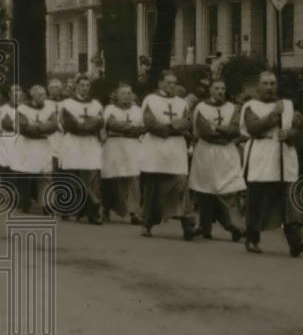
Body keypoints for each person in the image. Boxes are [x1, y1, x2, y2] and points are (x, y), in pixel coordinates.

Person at [239, 71, 303, 256]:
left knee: (289, 200)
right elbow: (254, 128)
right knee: (256, 200)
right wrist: (273, 115)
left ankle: (295, 241)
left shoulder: (287, 106)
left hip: (283, 155)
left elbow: (300, 129)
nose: (270, 87)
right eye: (265, 84)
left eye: (273, 83)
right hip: (260, 156)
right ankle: (252, 239)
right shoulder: (250, 106)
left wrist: (289, 135)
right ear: (258, 86)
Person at [140, 70, 196, 239]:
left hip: (176, 150)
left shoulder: (182, 103)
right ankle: (147, 223)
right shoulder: (150, 100)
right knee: (153, 188)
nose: (172, 86)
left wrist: (174, 127)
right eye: (169, 82)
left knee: (181, 186)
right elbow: (150, 123)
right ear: (160, 84)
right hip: (155, 149)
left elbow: (187, 121)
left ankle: (188, 225)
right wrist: (172, 127)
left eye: (174, 82)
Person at [188, 79, 245, 241]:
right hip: (207, 151)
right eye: (217, 88)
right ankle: (209, 227)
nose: (220, 91)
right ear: (211, 91)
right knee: (206, 190)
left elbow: (235, 130)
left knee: (227, 189)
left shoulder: (232, 108)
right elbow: (204, 131)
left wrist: (218, 128)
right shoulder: (201, 108)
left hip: (227, 153)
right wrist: (224, 135)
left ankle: (232, 224)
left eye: (223, 88)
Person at [59, 74, 105, 224]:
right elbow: (69, 124)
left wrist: (84, 125)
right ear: (76, 86)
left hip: (90, 142)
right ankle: (66, 208)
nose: (85, 88)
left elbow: (100, 122)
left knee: (91, 175)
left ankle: (92, 212)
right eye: (82, 85)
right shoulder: (67, 103)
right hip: (73, 141)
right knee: (71, 174)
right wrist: (89, 124)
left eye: (87, 85)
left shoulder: (96, 104)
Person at [101, 82, 145, 225]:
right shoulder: (110, 109)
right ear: (116, 95)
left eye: (129, 93)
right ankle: (106, 208)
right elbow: (112, 124)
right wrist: (132, 127)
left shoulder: (137, 110)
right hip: (114, 145)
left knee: (133, 178)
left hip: (133, 146)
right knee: (112, 178)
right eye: (123, 93)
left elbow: (143, 128)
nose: (127, 96)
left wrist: (130, 129)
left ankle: (134, 212)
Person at [13, 85, 58, 214]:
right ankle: (25, 201)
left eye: (44, 94)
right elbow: (24, 127)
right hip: (28, 144)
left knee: (45, 174)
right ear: (33, 96)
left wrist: (37, 127)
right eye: (40, 95)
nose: (43, 97)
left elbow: (54, 125)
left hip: (43, 144)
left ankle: (47, 204)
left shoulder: (49, 109)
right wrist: (42, 127)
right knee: (27, 174)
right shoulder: (22, 108)